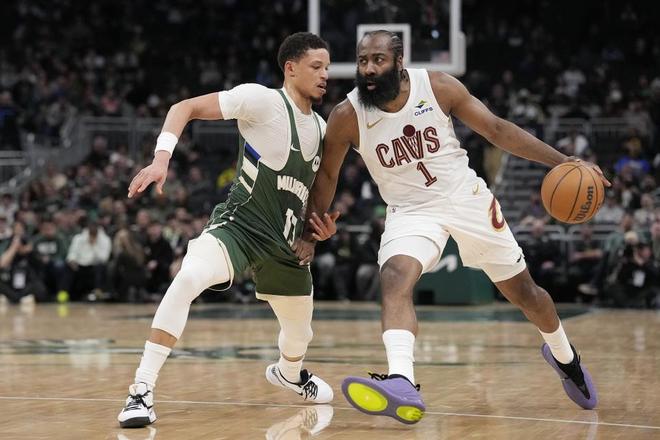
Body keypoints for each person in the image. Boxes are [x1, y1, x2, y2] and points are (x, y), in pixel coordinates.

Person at [296, 30, 611, 424]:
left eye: (378, 59)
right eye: (363, 61)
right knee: (394, 276)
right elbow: (327, 175)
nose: (369, 69)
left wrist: (565, 162)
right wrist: (310, 233)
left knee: (526, 294)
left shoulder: (437, 86)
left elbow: (496, 130)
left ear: (399, 61)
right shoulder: (347, 115)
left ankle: (565, 356)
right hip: (411, 210)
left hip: (466, 199)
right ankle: (401, 380)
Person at [117, 32, 338, 429]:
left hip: (285, 244)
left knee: (300, 335)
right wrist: (161, 160)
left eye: (327, 67)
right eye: (316, 67)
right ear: (290, 68)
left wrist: (313, 234)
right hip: (238, 227)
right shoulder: (261, 101)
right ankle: (141, 390)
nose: (325, 75)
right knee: (187, 279)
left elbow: (312, 195)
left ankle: (289, 374)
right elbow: (184, 107)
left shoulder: (321, 128)